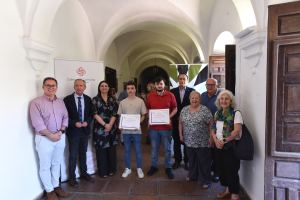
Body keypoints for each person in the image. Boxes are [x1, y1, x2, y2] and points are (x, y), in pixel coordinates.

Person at [30, 77, 68, 200]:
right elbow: (37, 123)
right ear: (43, 87)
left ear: (56, 87)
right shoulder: (36, 103)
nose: (51, 87)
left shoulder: (61, 102)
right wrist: (51, 135)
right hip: (44, 139)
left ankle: (56, 186)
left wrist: (61, 131)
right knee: (45, 166)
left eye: (53, 85)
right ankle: (49, 191)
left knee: (56, 163)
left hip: (60, 137)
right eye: (48, 85)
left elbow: (66, 117)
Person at [212, 90, 243, 200]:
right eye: (222, 98)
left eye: (226, 99)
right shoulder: (217, 113)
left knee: (231, 170)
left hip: (230, 146)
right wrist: (216, 140)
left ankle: (235, 194)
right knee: (221, 169)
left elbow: (236, 131)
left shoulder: (236, 113)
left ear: (231, 101)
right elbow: (213, 129)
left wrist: (223, 140)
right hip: (218, 145)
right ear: (219, 101)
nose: (224, 101)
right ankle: (227, 190)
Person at [63, 79, 95, 188]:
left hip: (85, 131)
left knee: (83, 153)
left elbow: (91, 114)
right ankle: (72, 176)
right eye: (77, 85)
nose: (79, 87)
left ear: (85, 87)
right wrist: (73, 123)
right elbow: (64, 116)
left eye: (81, 85)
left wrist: (87, 121)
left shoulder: (88, 99)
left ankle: (84, 173)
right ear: (74, 87)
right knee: (73, 155)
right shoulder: (67, 100)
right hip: (73, 131)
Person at [178, 91, 213, 188]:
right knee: (191, 159)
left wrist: (211, 137)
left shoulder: (205, 110)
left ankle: (205, 179)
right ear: (189, 99)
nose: (194, 99)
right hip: (189, 140)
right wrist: (180, 134)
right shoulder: (184, 110)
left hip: (202, 141)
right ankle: (192, 175)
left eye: (196, 98)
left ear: (200, 99)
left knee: (203, 160)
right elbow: (180, 123)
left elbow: (211, 124)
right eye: (192, 98)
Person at [146, 76, 177, 179]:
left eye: (161, 84)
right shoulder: (150, 96)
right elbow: (147, 108)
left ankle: (168, 167)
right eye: (157, 84)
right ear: (155, 85)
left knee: (167, 149)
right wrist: (149, 116)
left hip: (166, 127)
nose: (159, 85)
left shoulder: (170, 95)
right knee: (154, 148)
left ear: (164, 85)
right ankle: (154, 166)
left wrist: (169, 117)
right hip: (153, 128)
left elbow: (175, 109)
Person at [117, 81, 147, 179]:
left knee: (138, 150)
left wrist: (139, 123)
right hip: (125, 130)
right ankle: (127, 168)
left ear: (135, 89)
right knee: (127, 150)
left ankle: (139, 168)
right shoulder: (123, 102)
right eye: (128, 88)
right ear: (126, 90)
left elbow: (143, 115)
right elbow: (120, 115)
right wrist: (121, 124)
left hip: (136, 130)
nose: (130, 90)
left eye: (132, 88)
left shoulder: (140, 101)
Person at [92, 81, 119, 178]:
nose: (104, 87)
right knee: (101, 150)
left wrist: (110, 125)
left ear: (109, 88)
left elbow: (115, 113)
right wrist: (105, 125)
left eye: (106, 86)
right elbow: (95, 114)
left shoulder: (113, 99)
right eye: (102, 86)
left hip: (111, 128)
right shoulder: (95, 99)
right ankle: (103, 171)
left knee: (111, 150)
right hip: (100, 128)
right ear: (99, 88)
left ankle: (111, 169)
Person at [170, 73, 195, 170]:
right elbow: (171, 106)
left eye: (184, 79)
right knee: (176, 140)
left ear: (187, 80)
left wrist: (185, 117)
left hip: (188, 121)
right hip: (176, 120)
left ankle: (187, 161)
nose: (182, 80)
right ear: (177, 80)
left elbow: (194, 105)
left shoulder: (192, 91)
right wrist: (176, 116)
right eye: (180, 79)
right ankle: (177, 160)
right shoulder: (172, 92)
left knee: (187, 140)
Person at [200, 78, 220, 181]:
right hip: (204, 128)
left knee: (216, 151)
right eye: (208, 85)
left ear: (217, 85)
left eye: (212, 85)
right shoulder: (202, 95)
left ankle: (216, 172)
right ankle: (206, 171)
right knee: (206, 150)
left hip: (218, 128)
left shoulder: (221, 96)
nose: (210, 87)